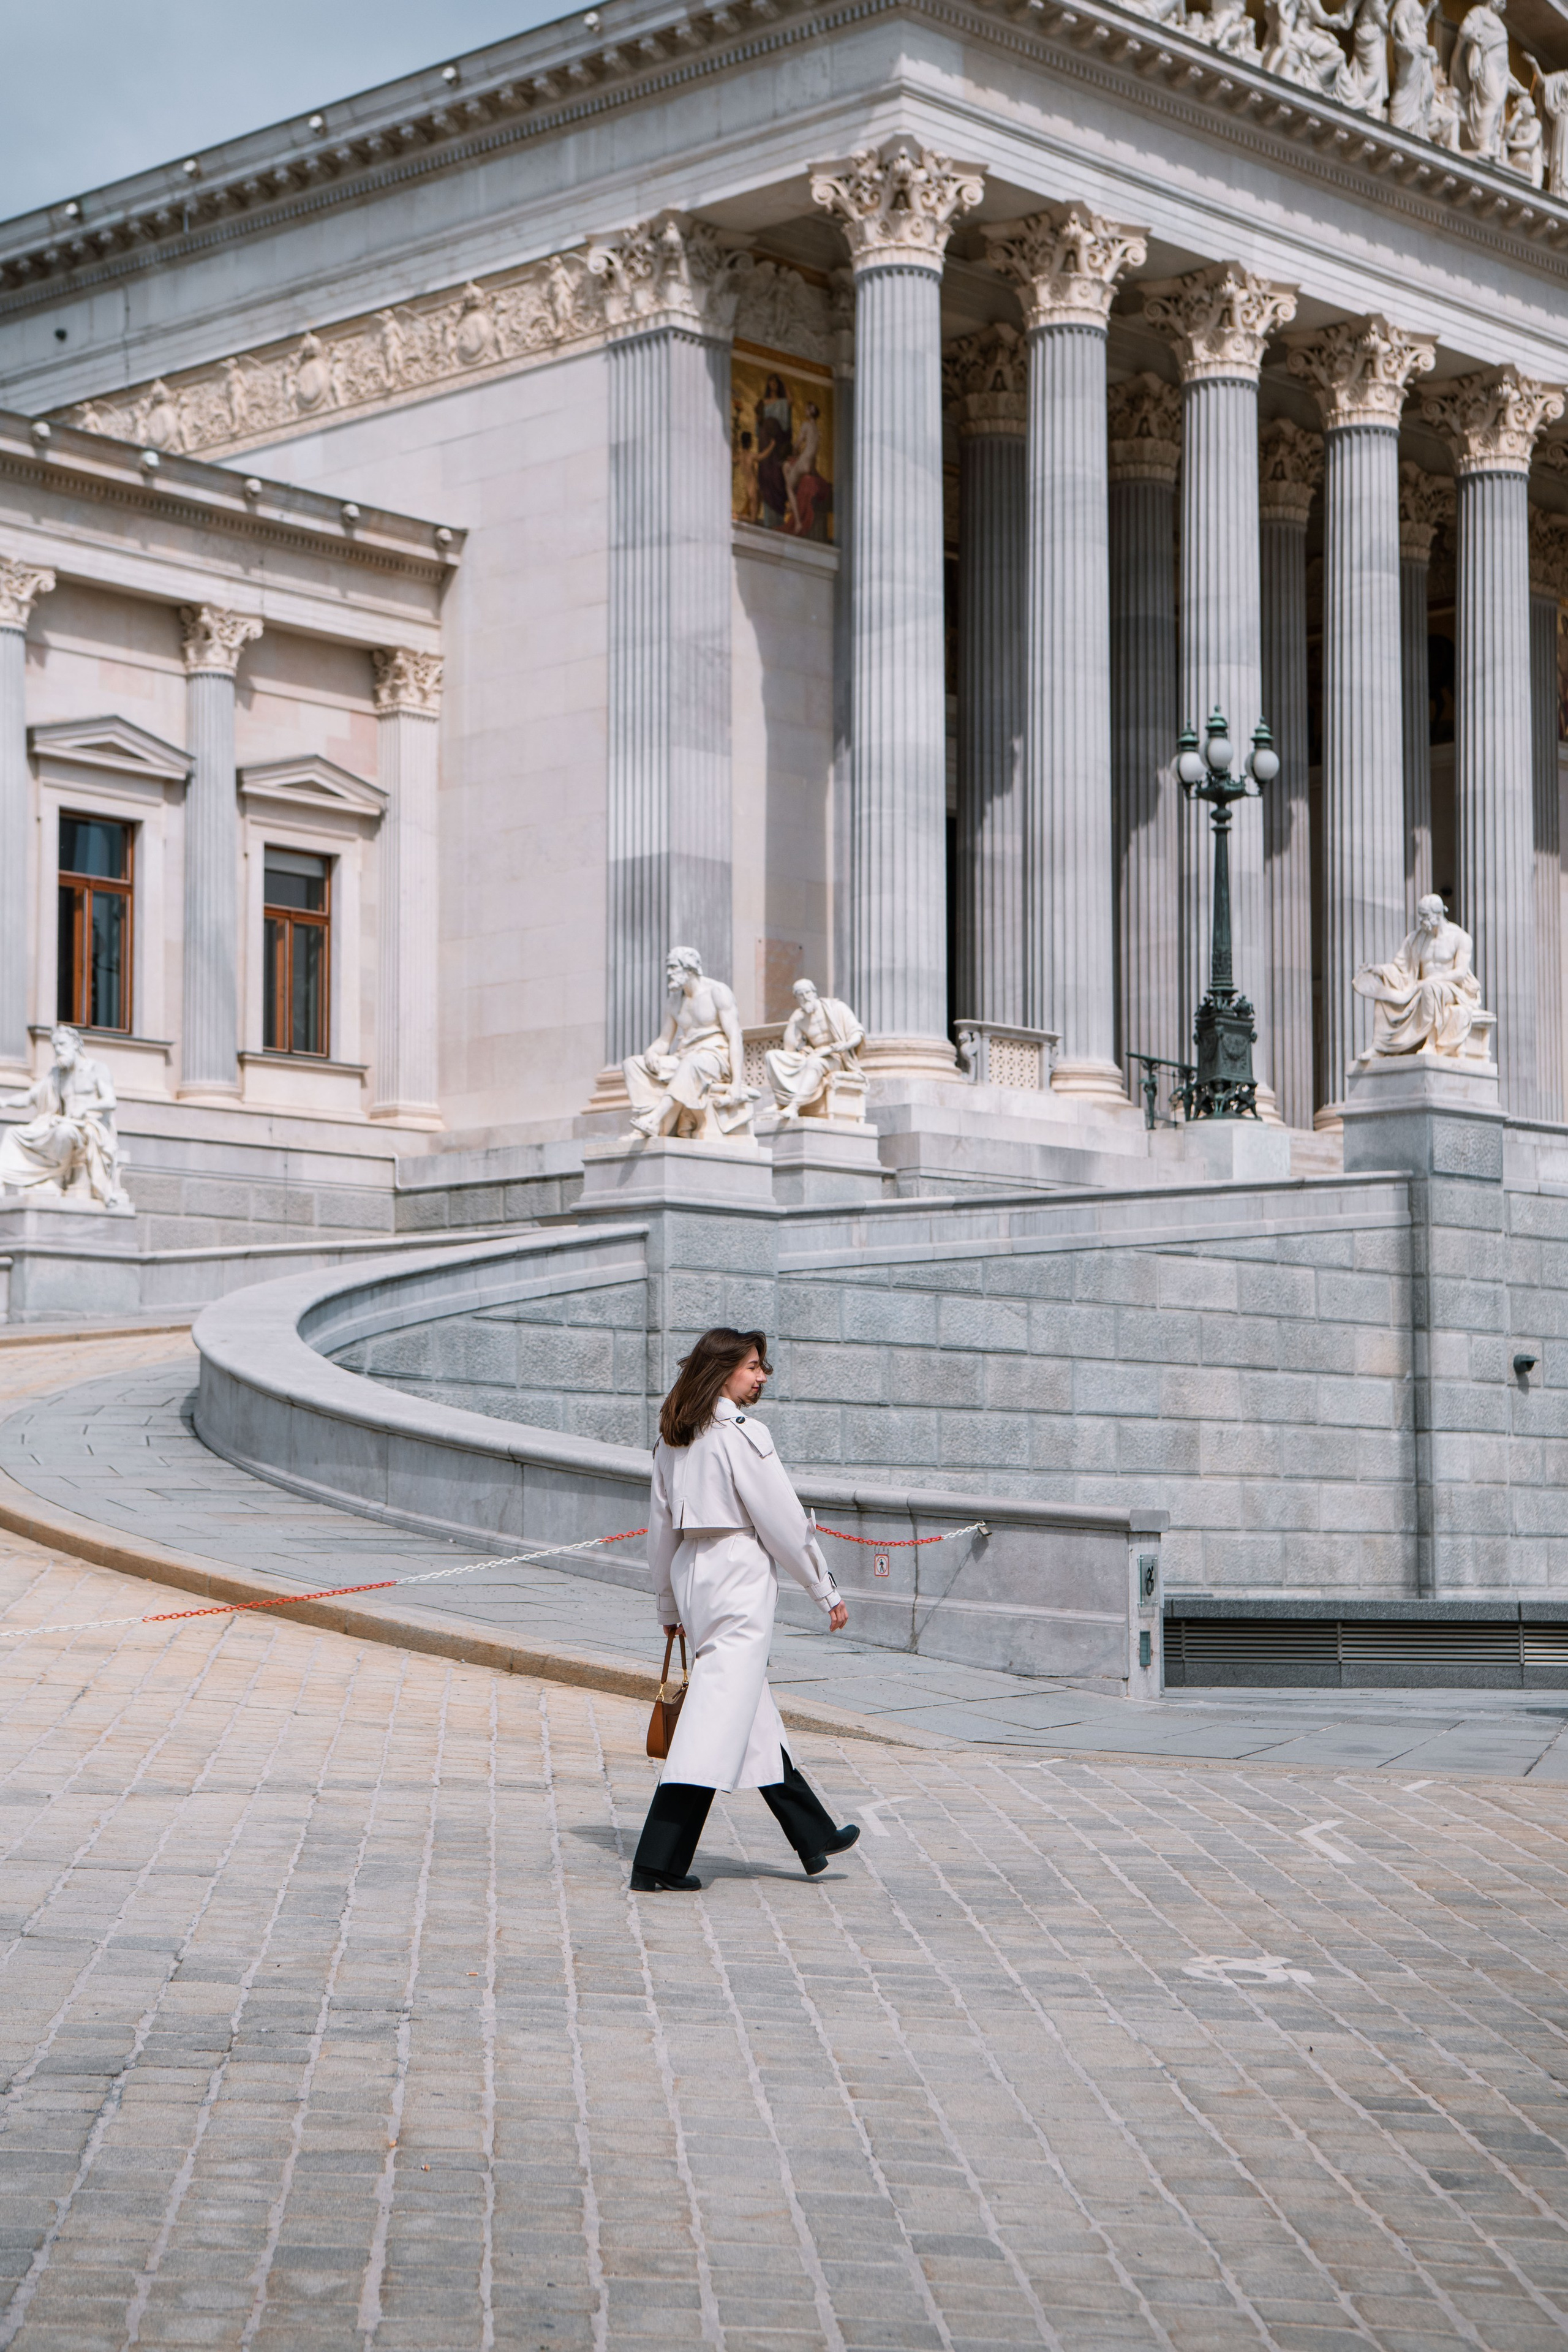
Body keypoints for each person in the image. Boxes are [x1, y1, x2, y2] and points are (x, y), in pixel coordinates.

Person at [630, 1327, 860, 1893]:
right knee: (715, 1717)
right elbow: (783, 1520)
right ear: (723, 1370)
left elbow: (661, 1529)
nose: (761, 1378)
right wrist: (824, 1588)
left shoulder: (673, 1435)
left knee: (744, 1705)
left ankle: (813, 1833)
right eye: (753, 1367)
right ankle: (657, 1860)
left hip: (693, 1571)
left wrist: (668, 1599)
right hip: (737, 1571)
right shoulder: (741, 1433)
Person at [622, 946, 756, 1142]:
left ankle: (655, 1119)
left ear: (689, 968)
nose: (669, 973)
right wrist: (652, 1051)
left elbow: (735, 1037)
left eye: (673, 967)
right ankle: (648, 1119)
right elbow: (664, 1040)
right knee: (633, 1064)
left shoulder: (717, 992)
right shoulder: (674, 1001)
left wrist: (736, 1083)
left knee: (691, 1063)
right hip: (686, 1056)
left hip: (715, 1057)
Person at [0, 1025, 129, 1207]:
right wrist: (5, 1102)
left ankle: (55, 1178)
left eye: (62, 1044)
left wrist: (86, 1108)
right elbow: (29, 1096)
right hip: (65, 1123)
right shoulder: (57, 1074)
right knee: (13, 1133)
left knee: (63, 1132)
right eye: (55, 1046)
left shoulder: (97, 1069)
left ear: (76, 1044)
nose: (58, 1050)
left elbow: (110, 1101)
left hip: (88, 1127)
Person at [1351, 894, 1483, 1057]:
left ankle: (1431, 1042)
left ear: (1438, 914)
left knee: (1430, 988)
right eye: (1420, 916)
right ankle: (1380, 1047)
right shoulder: (1416, 938)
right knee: (1385, 996)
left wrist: (1430, 980)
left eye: (1425, 916)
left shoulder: (1460, 938)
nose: (1422, 921)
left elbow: (1460, 973)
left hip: (1451, 990)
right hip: (1418, 988)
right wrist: (1377, 970)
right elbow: (1400, 968)